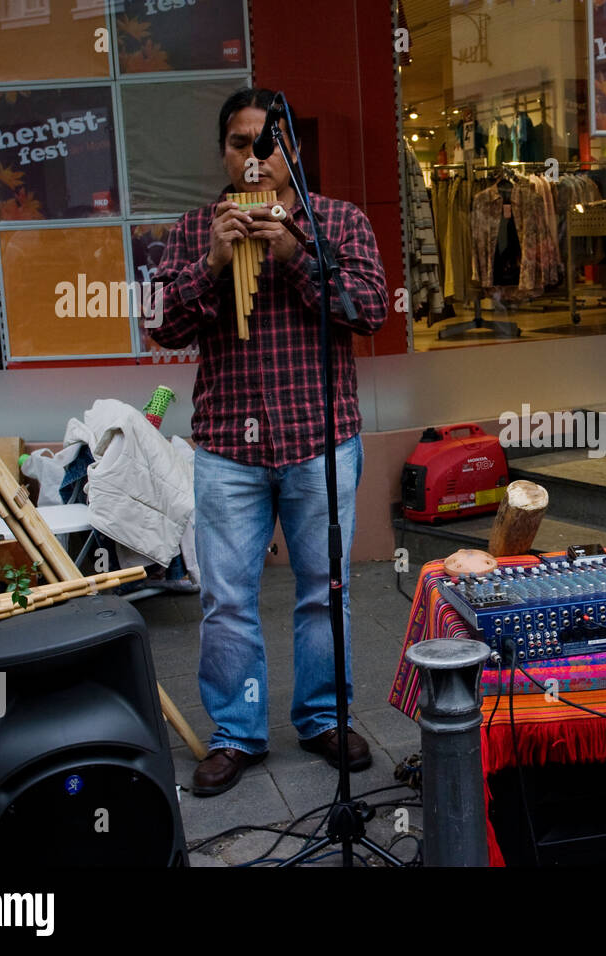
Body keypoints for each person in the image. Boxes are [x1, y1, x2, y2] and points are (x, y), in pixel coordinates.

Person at [150, 88, 389, 796]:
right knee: (226, 600)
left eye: (267, 144)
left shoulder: (338, 221)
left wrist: (292, 250)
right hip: (227, 445)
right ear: (223, 153)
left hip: (320, 439)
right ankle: (237, 732)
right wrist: (217, 265)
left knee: (324, 591)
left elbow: (369, 311)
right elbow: (163, 325)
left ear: (294, 152)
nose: (253, 159)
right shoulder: (196, 230)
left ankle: (321, 717)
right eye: (239, 144)